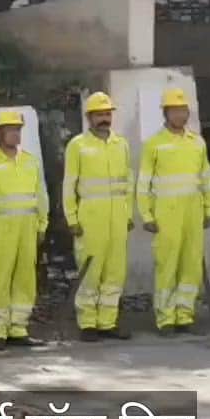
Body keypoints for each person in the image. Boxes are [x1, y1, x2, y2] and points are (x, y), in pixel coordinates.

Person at [138, 88, 210, 336]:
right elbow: (143, 183)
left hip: (193, 212)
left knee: (191, 265)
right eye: (175, 111)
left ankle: (185, 315)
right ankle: (165, 319)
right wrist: (147, 215)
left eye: (183, 110)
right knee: (167, 266)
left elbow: (207, 178)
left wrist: (209, 209)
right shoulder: (154, 144)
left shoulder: (197, 142)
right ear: (166, 113)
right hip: (166, 214)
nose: (180, 115)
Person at [0, 110, 48, 350]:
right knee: (0, 278)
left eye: (17, 129)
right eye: (10, 129)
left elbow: (41, 195)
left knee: (25, 278)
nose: (15, 134)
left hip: (28, 228)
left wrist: (42, 225)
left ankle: (18, 328)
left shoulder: (30, 161)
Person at [63, 92, 135, 341]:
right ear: (89, 117)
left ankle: (108, 322)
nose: (104, 119)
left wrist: (128, 213)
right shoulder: (78, 145)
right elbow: (69, 185)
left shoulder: (121, 144)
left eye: (107, 114)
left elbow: (128, 182)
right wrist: (72, 219)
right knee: (90, 273)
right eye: (99, 115)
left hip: (117, 220)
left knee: (115, 273)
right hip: (90, 219)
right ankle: (88, 324)